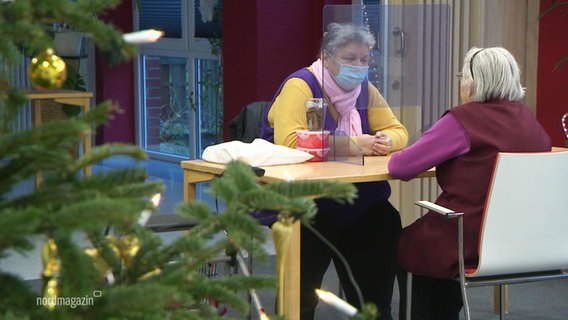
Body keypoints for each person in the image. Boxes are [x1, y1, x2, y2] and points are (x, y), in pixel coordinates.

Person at [388, 47, 552, 320]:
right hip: (522, 239)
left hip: (470, 237)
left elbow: (401, 167)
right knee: (432, 242)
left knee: (410, 241)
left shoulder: (463, 121)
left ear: (472, 82)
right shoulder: (528, 120)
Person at [260, 22, 409, 319]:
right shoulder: (300, 85)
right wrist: (355, 144)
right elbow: (291, 143)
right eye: (350, 58)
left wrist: (387, 139)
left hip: (358, 200)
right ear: (326, 57)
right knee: (312, 236)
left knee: (385, 222)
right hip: (306, 201)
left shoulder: (365, 89)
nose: (359, 66)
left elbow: (398, 130)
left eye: (365, 60)